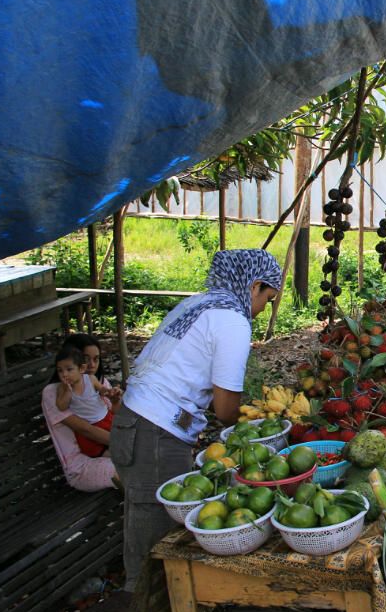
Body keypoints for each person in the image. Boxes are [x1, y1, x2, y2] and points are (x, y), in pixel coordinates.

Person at [111, 248, 282, 592]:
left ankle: (146, 607)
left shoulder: (198, 304)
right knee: (159, 535)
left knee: (142, 516)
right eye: (268, 297)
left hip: (134, 421)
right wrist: (249, 423)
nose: (264, 309)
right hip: (155, 432)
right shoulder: (232, 319)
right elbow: (224, 409)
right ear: (254, 286)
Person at [41, 334, 122, 491]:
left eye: (96, 359)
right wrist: (126, 443)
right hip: (81, 465)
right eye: (86, 359)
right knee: (132, 468)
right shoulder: (53, 392)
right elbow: (87, 430)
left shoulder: (97, 381)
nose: (91, 365)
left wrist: (115, 400)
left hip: (109, 445)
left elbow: (117, 413)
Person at [54, 344, 121, 457]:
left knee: (117, 433)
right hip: (89, 425)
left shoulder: (90, 379)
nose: (64, 374)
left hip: (104, 417)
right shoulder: (62, 388)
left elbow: (102, 390)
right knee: (91, 448)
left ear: (81, 369)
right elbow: (61, 406)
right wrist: (67, 392)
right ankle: (109, 455)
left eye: (69, 369)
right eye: (60, 371)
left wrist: (110, 392)